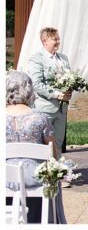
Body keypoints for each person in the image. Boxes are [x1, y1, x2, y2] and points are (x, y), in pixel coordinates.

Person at [6, 70, 64, 224]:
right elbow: (53, 155)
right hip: (34, 178)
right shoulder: (40, 118)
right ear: (29, 90)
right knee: (53, 174)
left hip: (4, 178)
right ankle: (45, 220)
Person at [25, 27, 71, 155]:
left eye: (58, 39)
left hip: (62, 109)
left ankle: (57, 170)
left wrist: (69, 90)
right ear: (44, 41)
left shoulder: (64, 58)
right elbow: (36, 83)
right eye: (54, 39)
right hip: (45, 108)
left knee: (58, 143)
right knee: (42, 143)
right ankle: (42, 172)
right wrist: (57, 94)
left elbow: (70, 79)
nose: (57, 42)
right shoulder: (36, 59)